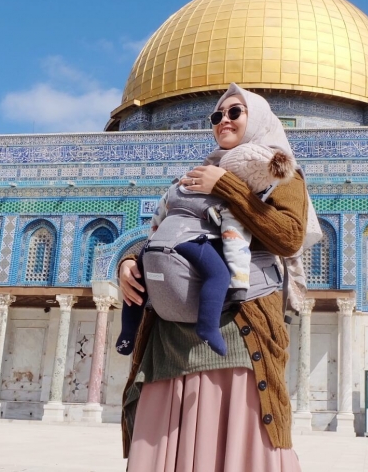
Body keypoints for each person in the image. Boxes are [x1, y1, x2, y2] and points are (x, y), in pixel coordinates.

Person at [119, 83, 313, 471]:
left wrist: (224, 186)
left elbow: (289, 237)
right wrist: (129, 259)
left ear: (257, 120)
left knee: (233, 439)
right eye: (217, 115)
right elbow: (170, 230)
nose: (223, 120)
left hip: (238, 333)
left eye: (234, 113)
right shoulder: (195, 175)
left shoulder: (282, 174)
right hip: (171, 339)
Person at [114, 142, 296, 357]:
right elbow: (234, 241)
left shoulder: (180, 184)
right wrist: (238, 283)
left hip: (157, 243)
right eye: (219, 115)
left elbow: (157, 216)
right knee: (219, 275)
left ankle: (127, 332)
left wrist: (152, 241)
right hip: (191, 242)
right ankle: (208, 327)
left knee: (140, 285)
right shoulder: (228, 199)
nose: (224, 121)